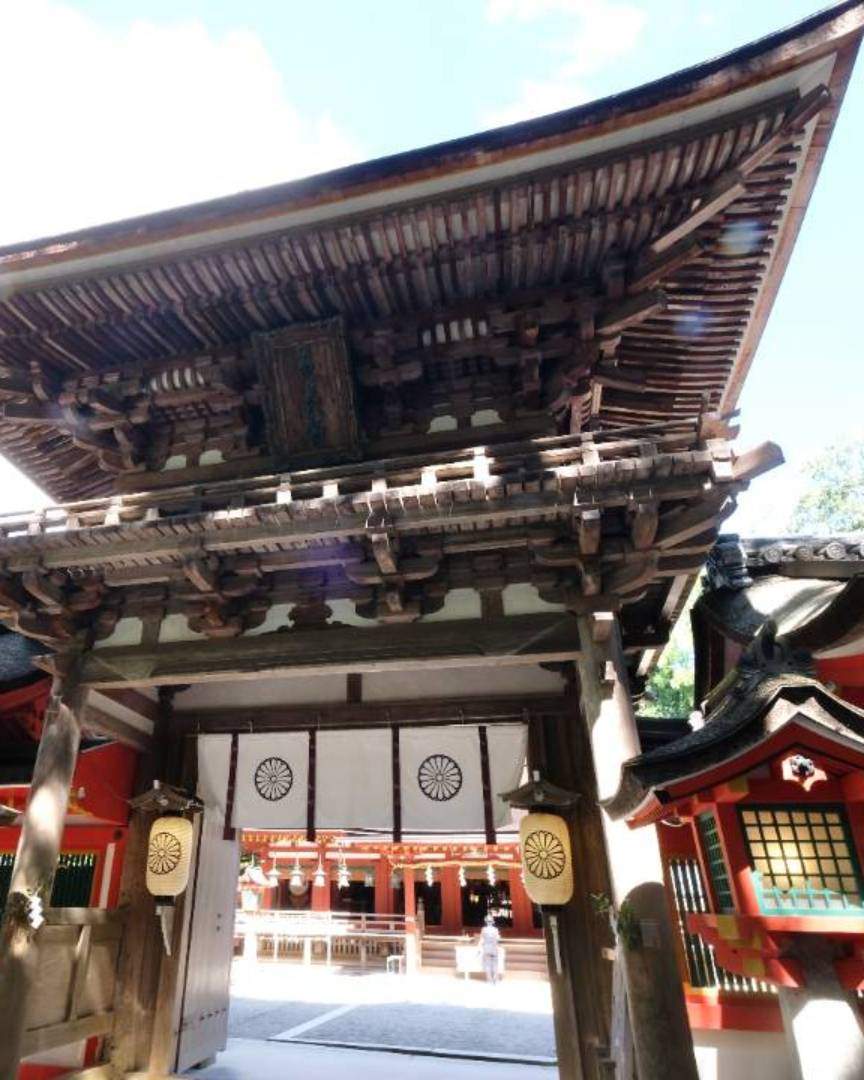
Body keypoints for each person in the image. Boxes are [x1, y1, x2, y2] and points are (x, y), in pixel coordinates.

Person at [479, 913, 501, 983]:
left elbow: (481, 940)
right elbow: (498, 938)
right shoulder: (495, 929)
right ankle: (495, 979)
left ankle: (489, 980)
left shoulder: (484, 929)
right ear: (492, 922)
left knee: (488, 964)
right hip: (494, 948)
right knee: (495, 964)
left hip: (486, 948)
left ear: (486, 922)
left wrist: (479, 947)